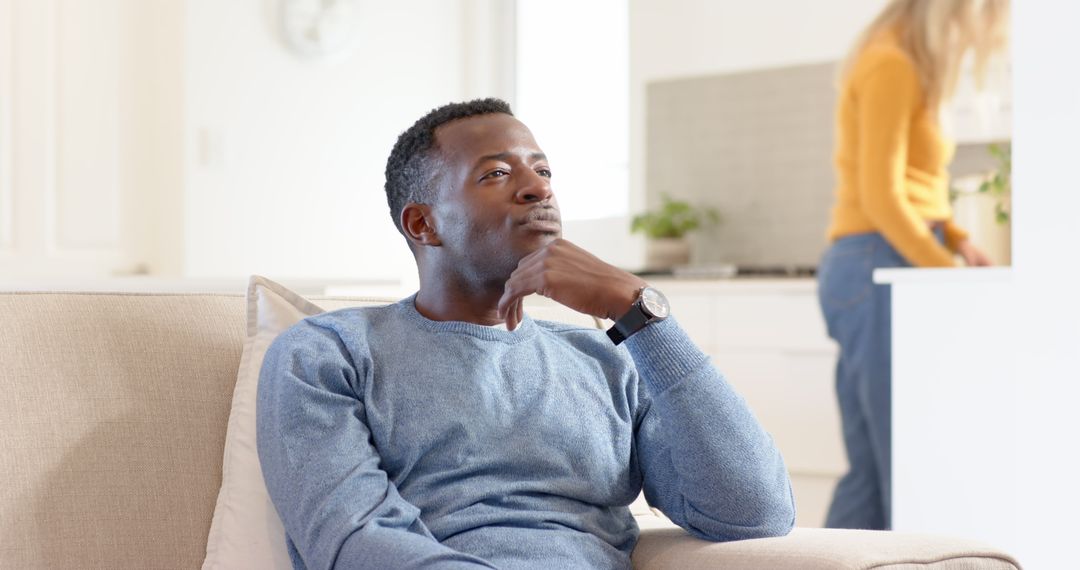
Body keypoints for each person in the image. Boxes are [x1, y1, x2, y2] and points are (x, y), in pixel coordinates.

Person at [256, 98, 795, 569]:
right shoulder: (331, 352)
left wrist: (640, 314)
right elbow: (353, 541)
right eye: (496, 174)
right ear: (423, 224)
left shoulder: (608, 362)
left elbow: (754, 513)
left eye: (543, 171)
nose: (538, 189)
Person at [818, 0, 1009, 530]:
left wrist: (958, 238)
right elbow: (882, 196)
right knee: (905, 463)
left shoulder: (900, 60)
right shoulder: (892, 63)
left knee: (879, 468)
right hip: (876, 261)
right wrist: (944, 274)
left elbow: (918, 187)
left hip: (878, 258)